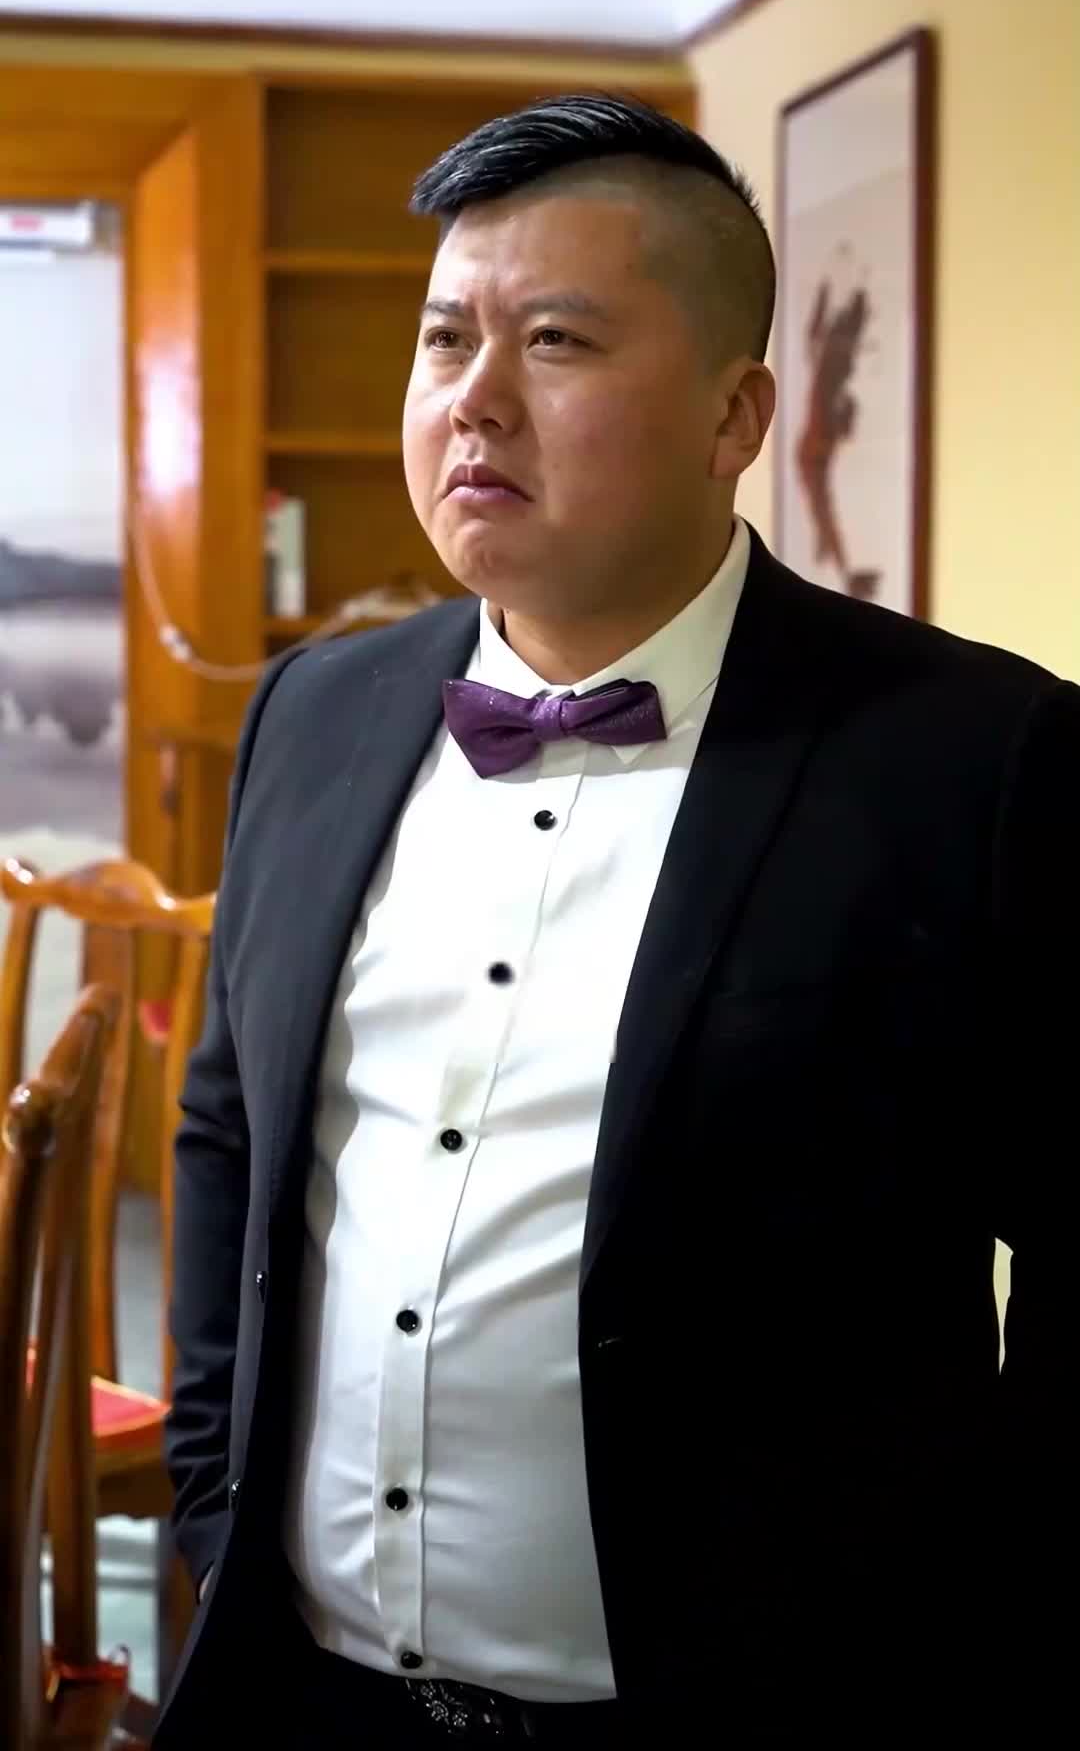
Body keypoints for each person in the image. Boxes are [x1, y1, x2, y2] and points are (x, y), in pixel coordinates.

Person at [157, 93, 1074, 1748]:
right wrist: (215, 1509)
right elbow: (232, 1128)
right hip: (303, 1693)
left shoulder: (977, 760)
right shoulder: (314, 714)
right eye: (446, 340)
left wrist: (994, 1629)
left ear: (736, 415)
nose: (474, 400)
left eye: (556, 341)